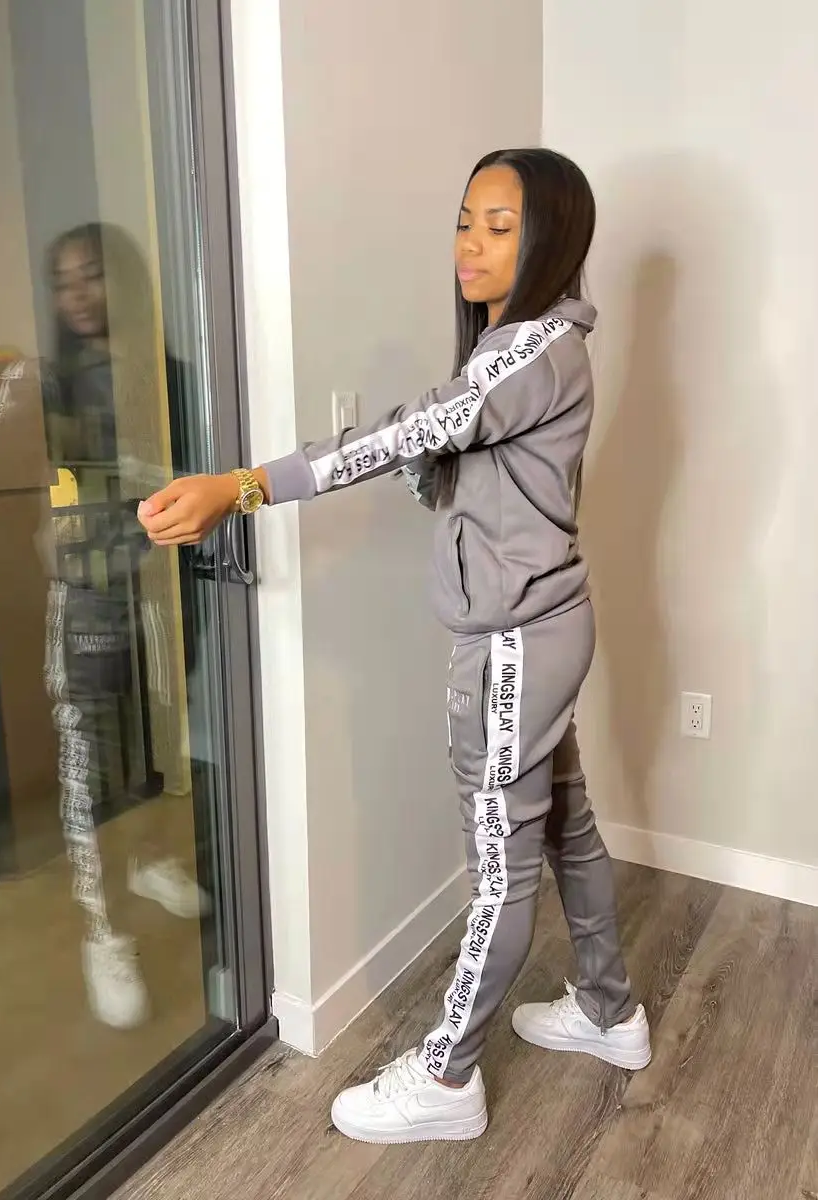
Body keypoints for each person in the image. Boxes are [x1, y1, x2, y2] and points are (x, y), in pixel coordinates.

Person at [137, 149, 652, 1140]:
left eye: (500, 227)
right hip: (543, 625)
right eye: (465, 220)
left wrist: (240, 489)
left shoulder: (530, 349)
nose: (471, 244)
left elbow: (401, 432)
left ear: (551, 240)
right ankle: (607, 1008)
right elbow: (464, 470)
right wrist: (429, 473)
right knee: (565, 824)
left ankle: (448, 1079)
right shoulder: (531, 346)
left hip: (514, 645)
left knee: (501, 869)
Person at [0, 222, 207, 1030]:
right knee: (87, 761)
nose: (77, 295)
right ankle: (101, 931)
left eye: (92, 276)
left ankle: (147, 857)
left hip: (155, 590)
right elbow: (12, 476)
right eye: (63, 280)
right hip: (82, 596)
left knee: (150, 745)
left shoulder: (166, 375)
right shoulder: (47, 383)